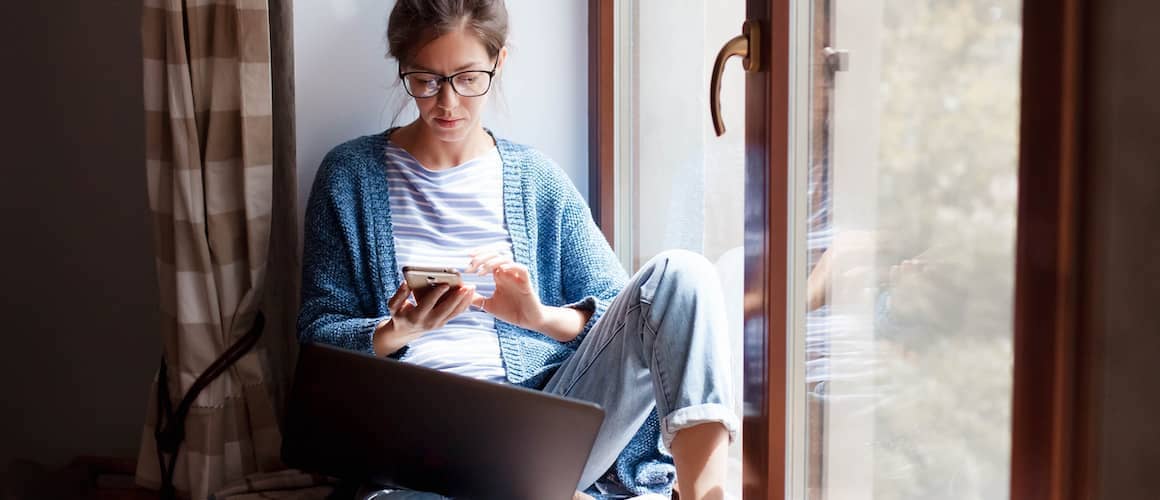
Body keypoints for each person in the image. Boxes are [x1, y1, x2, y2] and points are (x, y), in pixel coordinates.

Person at [297, 1, 737, 498]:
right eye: (426, 80)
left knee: (682, 274)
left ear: (498, 62)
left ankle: (704, 492)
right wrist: (396, 331)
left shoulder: (536, 180)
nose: (447, 102)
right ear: (402, 68)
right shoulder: (348, 176)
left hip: (542, 430)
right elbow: (317, 336)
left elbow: (629, 318)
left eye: (468, 78)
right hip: (417, 450)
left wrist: (539, 317)